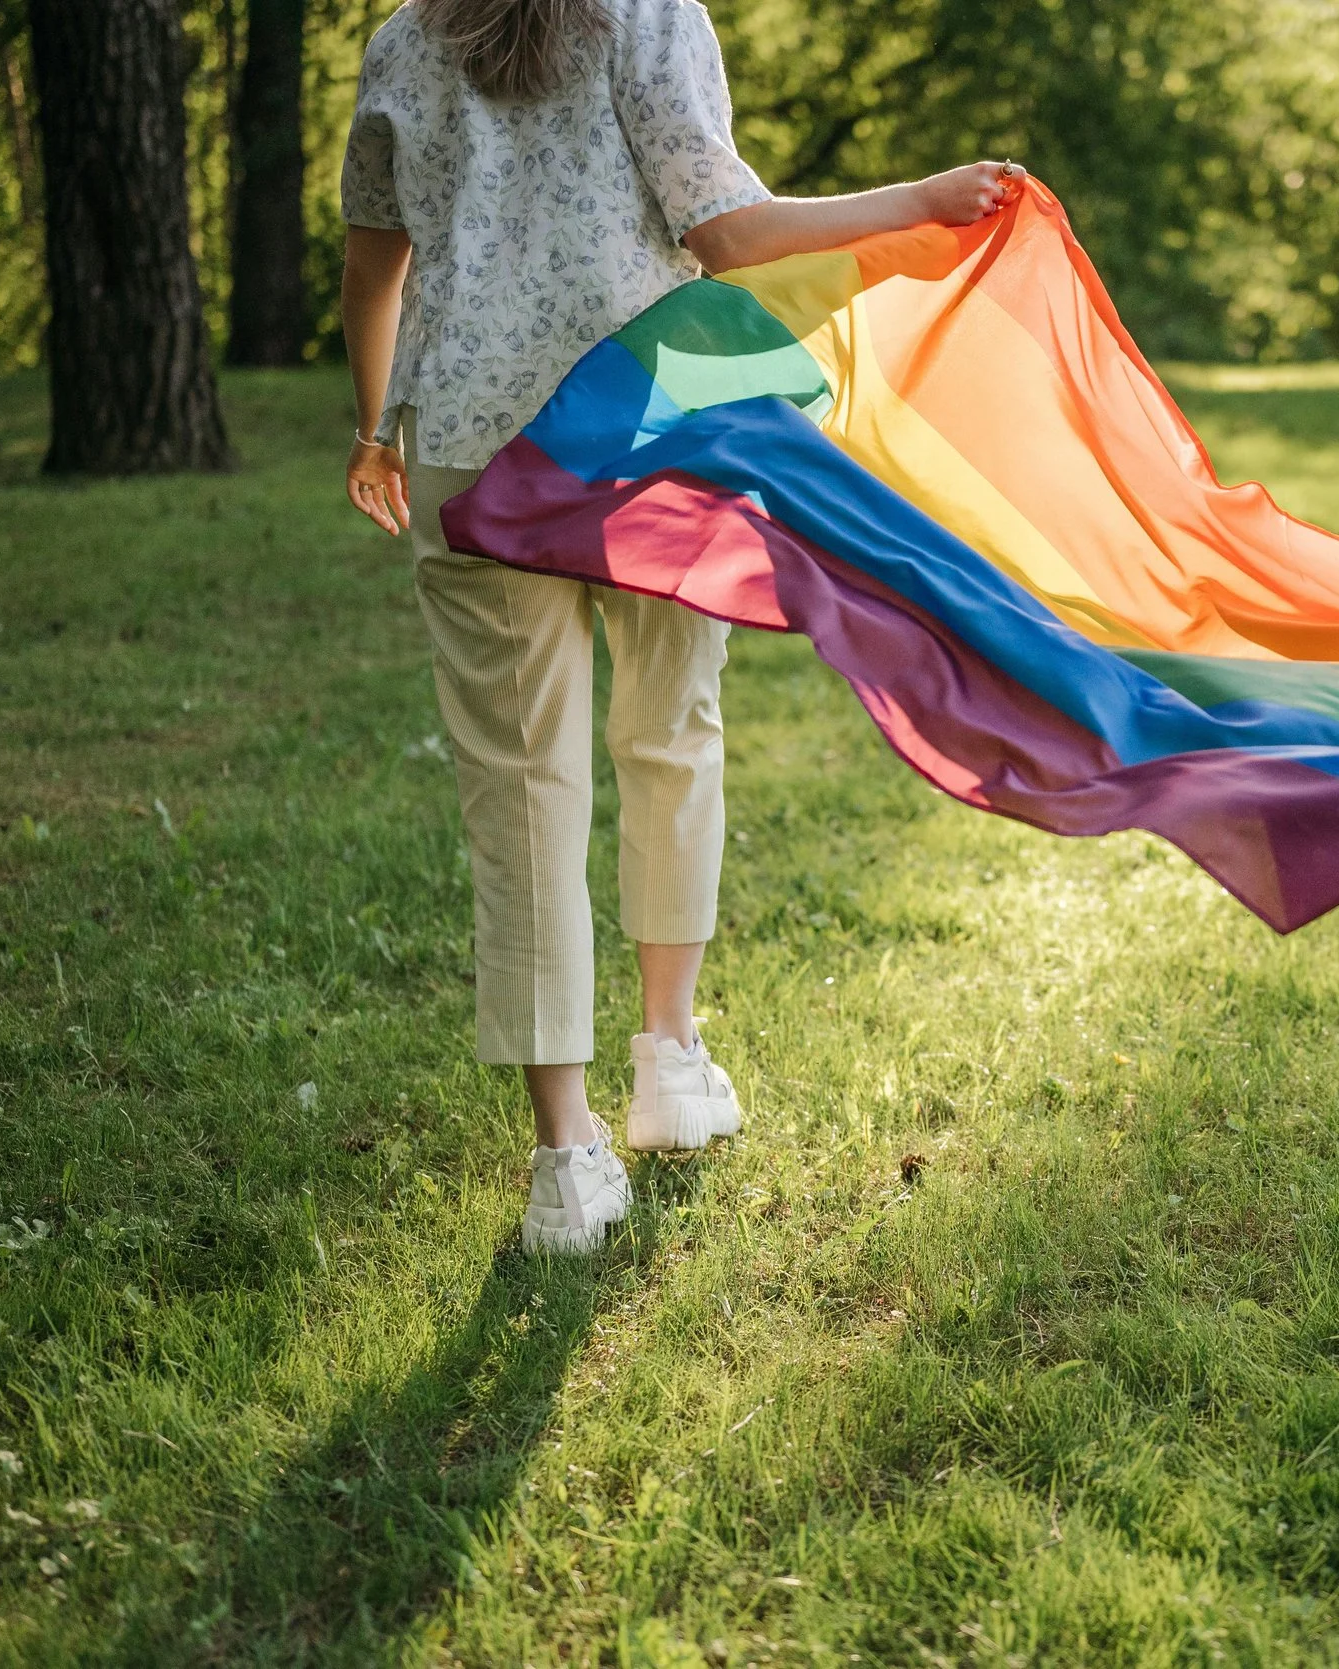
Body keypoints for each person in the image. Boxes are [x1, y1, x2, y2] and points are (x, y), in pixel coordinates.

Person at [338, 0, 1022, 1253]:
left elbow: (374, 262)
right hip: (641, 432)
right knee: (670, 732)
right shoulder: (649, 13)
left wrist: (378, 427)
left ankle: (565, 1157)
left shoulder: (401, 38)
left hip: (472, 448)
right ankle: (668, 1054)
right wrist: (914, 197)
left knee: (520, 789)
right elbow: (729, 231)